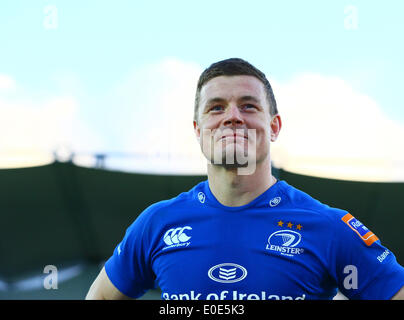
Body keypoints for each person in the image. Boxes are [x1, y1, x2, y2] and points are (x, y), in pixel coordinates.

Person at [86, 58, 404, 300]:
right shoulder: (157, 223)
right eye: (216, 107)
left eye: (248, 106)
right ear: (198, 130)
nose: (233, 116)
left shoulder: (329, 226)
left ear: (275, 127)